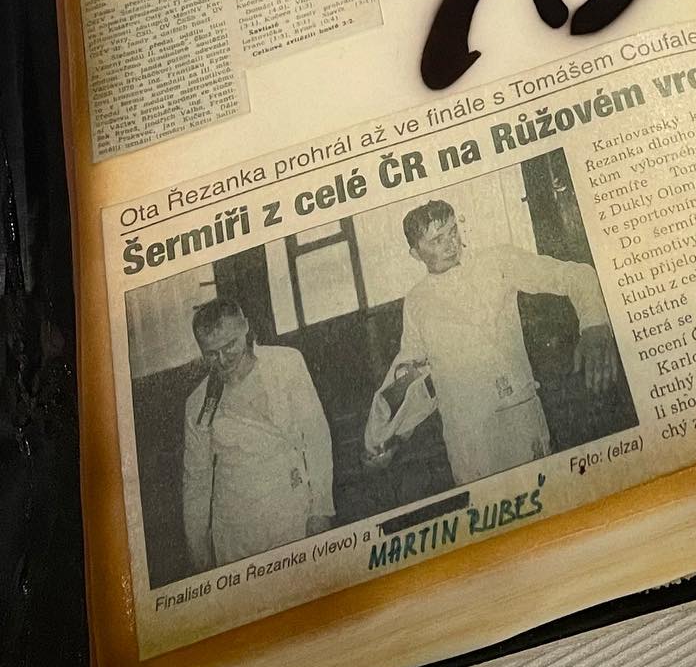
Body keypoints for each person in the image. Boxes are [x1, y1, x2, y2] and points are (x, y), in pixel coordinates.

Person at [380, 198, 620, 487]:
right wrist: (390, 434)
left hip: (520, 420)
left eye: (453, 231)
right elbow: (413, 375)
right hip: (468, 441)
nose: (451, 244)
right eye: (437, 240)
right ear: (415, 253)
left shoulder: (497, 262)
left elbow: (576, 275)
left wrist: (594, 324)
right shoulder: (417, 302)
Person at [181, 301, 335, 574]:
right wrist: (199, 553)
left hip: (292, 511)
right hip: (236, 533)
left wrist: (321, 509)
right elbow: (196, 480)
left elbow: (316, 436)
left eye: (230, 345)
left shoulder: (287, 364)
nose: (223, 360)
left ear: (246, 327)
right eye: (211, 354)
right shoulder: (198, 404)